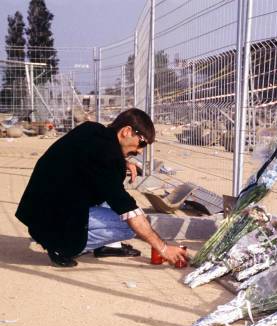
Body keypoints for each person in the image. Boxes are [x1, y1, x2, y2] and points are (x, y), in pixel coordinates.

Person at [16, 108, 189, 268]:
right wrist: (164, 248)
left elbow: (88, 161)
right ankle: (62, 246)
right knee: (130, 226)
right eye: (141, 143)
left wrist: (123, 162)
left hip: (36, 210)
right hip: (53, 217)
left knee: (109, 195)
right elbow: (128, 210)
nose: (140, 151)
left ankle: (103, 246)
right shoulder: (108, 158)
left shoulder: (92, 130)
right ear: (126, 131)